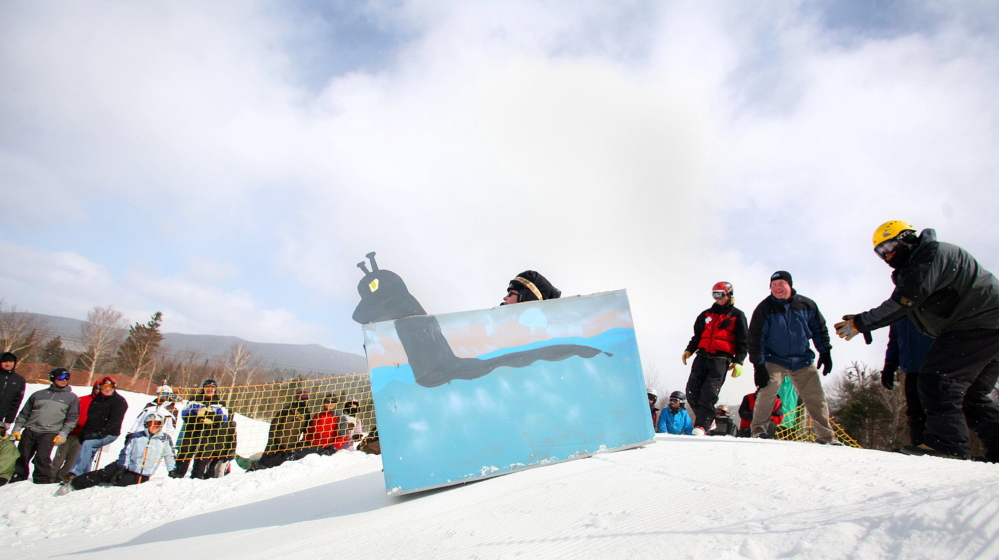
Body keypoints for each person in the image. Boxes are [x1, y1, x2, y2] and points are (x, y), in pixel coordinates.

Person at [835, 221, 999, 460]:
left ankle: (948, 445)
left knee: (937, 379)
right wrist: (886, 352)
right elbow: (901, 316)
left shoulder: (929, 258)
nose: (887, 255)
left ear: (906, 238)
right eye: (880, 252)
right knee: (971, 396)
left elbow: (903, 302)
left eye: (889, 246)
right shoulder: (918, 265)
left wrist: (861, 323)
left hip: (979, 322)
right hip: (986, 325)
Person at [748, 271, 838, 444]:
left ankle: (826, 436)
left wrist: (825, 352)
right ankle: (759, 429)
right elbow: (755, 338)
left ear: (790, 284)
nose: (777, 288)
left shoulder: (806, 305)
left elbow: (819, 329)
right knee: (768, 389)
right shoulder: (764, 308)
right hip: (774, 358)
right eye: (774, 285)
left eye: (781, 283)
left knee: (816, 396)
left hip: (802, 359)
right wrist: (758, 366)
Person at [682, 282, 748, 435]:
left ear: (729, 294)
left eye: (721, 294)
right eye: (714, 295)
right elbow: (697, 335)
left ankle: (701, 425)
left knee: (709, 392)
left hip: (720, 358)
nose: (718, 298)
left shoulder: (737, 316)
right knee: (691, 390)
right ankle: (708, 418)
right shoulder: (706, 315)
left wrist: (739, 361)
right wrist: (689, 350)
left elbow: (743, 341)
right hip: (702, 355)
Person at [59, 413, 176, 495]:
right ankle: (74, 484)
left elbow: (169, 456)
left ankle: (105, 481)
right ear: (147, 424)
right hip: (124, 466)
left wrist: (172, 470)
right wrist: (122, 467)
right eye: (152, 423)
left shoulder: (164, 439)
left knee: (118, 481)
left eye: (158, 424)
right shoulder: (137, 437)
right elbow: (126, 452)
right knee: (103, 473)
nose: (154, 427)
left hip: (140, 474)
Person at [9, 368, 79, 484]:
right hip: (30, 429)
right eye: (61, 377)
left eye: (67, 378)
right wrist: (17, 428)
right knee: (22, 456)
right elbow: (25, 413)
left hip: (50, 431)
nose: (64, 380)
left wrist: (63, 433)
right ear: (52, 378)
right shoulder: (38, 394)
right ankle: (18, 477)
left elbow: (72, 418)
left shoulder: (71, 398)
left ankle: (42, 480)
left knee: (42, 457)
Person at [882, 316, 934, 448]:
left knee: (938, 409)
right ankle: (919, 445)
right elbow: (894, 339)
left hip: (936, 367)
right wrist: (890, 364)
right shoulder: (899, 310)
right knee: (915, 412)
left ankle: (945, 447)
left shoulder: (932, 301)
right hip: (911, 369)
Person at [64, 376, 127, 482]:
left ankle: (76, 472)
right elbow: (91, 418)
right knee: (88, 449)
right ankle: (85, 475)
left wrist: (99, 434)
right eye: (104, 387)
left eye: (110, 387)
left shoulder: (119, 402)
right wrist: (85, 432)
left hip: (109, 433)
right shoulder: (97, 399)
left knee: (88, 444)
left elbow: (114, 423)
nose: (107, 389)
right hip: (93, 431)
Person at [173, 379, 233, 479]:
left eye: (212, 388)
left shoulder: (219, 403)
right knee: (185, 452)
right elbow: (184, 414)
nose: (210, 390)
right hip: (192, 431)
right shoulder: (195, 400)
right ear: (203, 388)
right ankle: (178, 475)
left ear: (215, 390)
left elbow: (224, 419)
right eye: (207, 388)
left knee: (202, 456)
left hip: (209, 434)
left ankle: (196, 477)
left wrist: (211, 416)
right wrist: (197, 416)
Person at [50, 381, 99, 482]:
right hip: (71, 433)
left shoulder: (105, 404)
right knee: (59, 457)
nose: (99, 391)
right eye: (97, 388)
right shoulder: (81, 400)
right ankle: (50, 476)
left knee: (72, 461)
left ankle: (61, 477)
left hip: (84, 437)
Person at [252, 389, 311, 470]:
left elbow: (306, 431)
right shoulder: (287, 410)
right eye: (301, 399)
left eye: (305, 399)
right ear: (297, 399)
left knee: (274, 467)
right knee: (263, 462)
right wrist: (271, 440)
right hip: (277, 442)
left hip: (290, 446)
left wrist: (301, 444)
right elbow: (274, 424)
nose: (303, 401)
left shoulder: (307, 414)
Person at [0, 352, 26, 434]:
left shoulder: (19, 380)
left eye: (11, 362)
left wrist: (9, 421)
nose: (8, 364)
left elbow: (16, 402)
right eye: (5, 361)